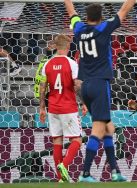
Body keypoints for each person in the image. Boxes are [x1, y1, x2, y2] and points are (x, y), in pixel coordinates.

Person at [64, 0, 136, 182]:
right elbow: (125, 9)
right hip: (99, 84)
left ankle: (115, 171)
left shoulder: (79, 28)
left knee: (108, 128)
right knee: (98, 129)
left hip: (85, 86)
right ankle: (85, 173)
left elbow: (71, 11)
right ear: (101, 17)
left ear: (86, 17)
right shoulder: (104, 28)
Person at [39, 34, 83, 183]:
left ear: (56, 47)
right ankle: (63, 166)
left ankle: (61, 179)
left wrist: (42, 108)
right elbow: (77, 85)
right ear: (69, 47)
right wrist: (84, 103)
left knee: (57, 141)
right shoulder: (72, 63)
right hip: (68, 107)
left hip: (53, 108)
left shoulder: (47, 64)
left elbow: (42, 87)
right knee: (77, 139)